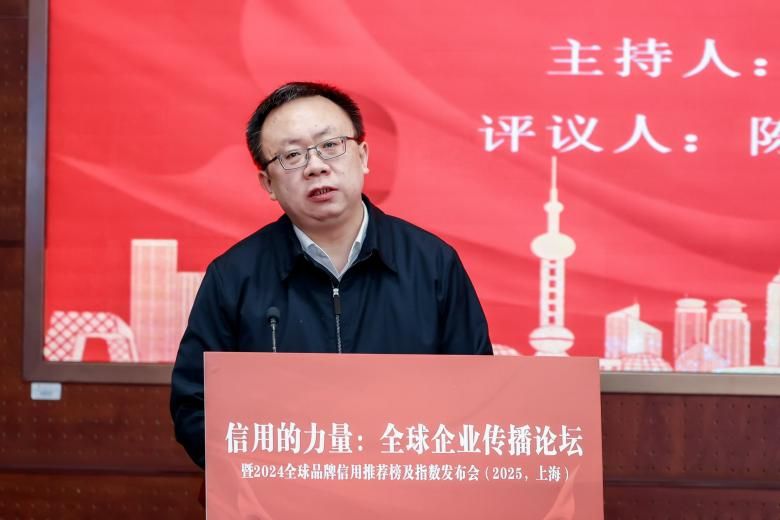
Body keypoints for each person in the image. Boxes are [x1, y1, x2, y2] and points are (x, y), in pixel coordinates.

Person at [170, 82, 492, 469]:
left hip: (408, 485)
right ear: (268, 184)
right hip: (280, 493)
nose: (316, 166)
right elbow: (196, 404)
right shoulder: (234, 276)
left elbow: (478, 393)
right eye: (292, 155)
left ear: (363, 155)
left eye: (330, 145)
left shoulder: (432, 263)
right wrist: (259, 473)